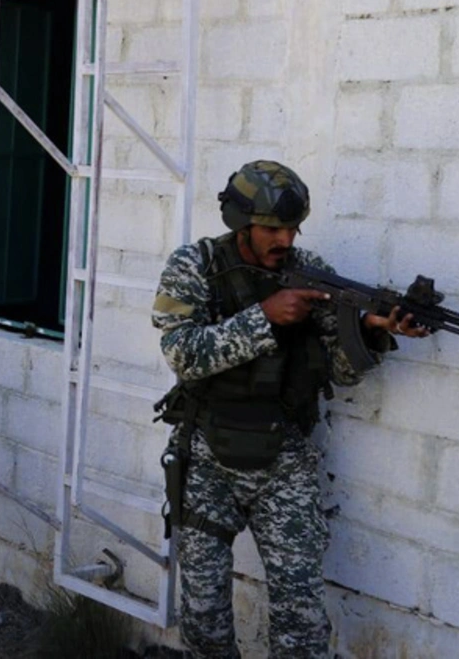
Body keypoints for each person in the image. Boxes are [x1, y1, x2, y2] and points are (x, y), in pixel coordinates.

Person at [151, 160, 429, 658]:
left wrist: (371, 330)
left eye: (293, 228)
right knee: (204, 617)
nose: (286, 239)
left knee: (302, 619)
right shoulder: (195, 266)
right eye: (272, 229)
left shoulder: (309, 271)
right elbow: (182, 354)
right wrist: (264, 317)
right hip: (207, 456)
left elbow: (340, 370)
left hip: (285, 459)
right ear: (241, 223)